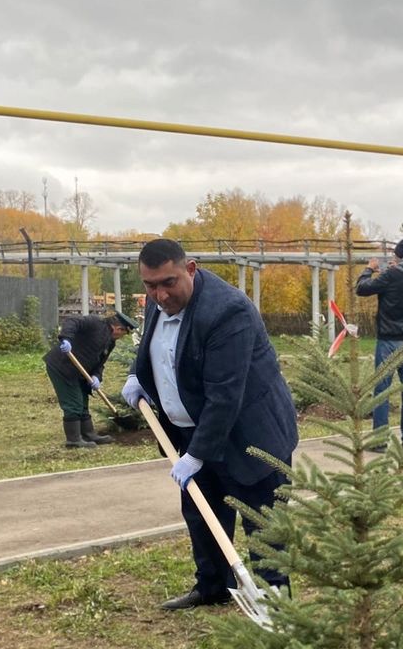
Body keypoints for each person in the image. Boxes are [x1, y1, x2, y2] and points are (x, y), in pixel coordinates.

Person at [121, 239, 298, 611]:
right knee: (203, 514)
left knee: (262, 517)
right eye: (150, 285)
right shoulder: (159, 302)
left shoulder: (227, 311)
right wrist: (141, 376)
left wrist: (196, 454)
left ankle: (275, 600)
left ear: (191, 268)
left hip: (252, 435)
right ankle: (213, 586)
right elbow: (160, 349)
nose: (160, 294)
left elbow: (225, 394)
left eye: (168, 282)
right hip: (195, 429)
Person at [355, 234, 403, 450]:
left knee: (382, 391)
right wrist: (393, 270)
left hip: (389, 340)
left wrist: (369, 269)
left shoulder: (392, 275)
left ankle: (380, 441)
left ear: (399, 256)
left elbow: (362, 289)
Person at [43, 311, 136, 448]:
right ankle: (73, 440)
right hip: (62, 366)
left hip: (81, 372)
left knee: (83, 400)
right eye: (123, 333)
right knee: (73, 402)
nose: (122, 337)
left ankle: (88, 434)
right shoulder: (95, 323)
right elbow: (72, 321)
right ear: (118, 328)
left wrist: (96, 377)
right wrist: (66, 339)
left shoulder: (110, 342)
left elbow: (100, 363)